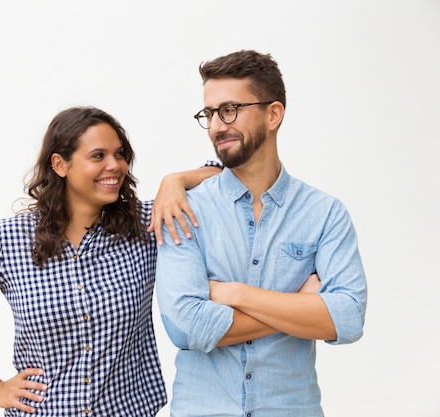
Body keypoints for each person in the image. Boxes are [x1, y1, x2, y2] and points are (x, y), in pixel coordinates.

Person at [0, 106, 221, 416]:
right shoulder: (11, 239)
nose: (115, 166)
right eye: (98, 156)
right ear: (60, 164)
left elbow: (225, 178)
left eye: (119, 155)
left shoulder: (145, 224)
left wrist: (174, 181)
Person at [155, 50, 368, 417]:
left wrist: (233, 293)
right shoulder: (183, 209)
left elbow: (347, 319)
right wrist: (298, 306)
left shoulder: (325, 213)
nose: (217, 126)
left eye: (230, 109)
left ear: (273, 114)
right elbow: (186, 327)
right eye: (209, 114)